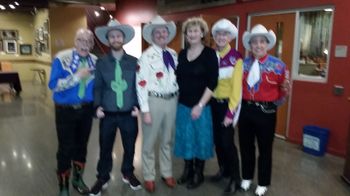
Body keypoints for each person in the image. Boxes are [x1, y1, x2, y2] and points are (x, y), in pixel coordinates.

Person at [89, 19, 141, 196]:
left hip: (129, 112)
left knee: (130, 146)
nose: (116, 39)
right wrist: (96, 107)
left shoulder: (134, 62)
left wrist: (138, 106)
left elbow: (139, 86)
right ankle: (102, 177)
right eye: (112, 36)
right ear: (108, 40)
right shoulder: (101, 63)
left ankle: (128, 172)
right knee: (105, 147)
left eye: (119, 36)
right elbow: (97, 87)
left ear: (123, 39)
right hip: (108, 113)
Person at [239, 24, 290, 196]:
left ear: (267, 44)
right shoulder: (243, 64)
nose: (258, 45)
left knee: (265, 149)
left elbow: (284, 91)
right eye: (254, 42)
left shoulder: (279, 66)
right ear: (250, 45)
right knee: (246, 147)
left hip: (266, 113)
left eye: (262, 42)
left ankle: (263, 182)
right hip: (246, 110)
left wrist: (272, 106)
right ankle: (246, 177)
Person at [48, 29, 97, 196]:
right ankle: (63, 186)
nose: (84, 44)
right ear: (75, 41)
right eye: (81, 40)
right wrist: (76, 77)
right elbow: (53, 85)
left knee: (81, 147)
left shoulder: (95, 61)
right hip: (65, 112)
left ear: (92, 44)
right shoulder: (62, 58)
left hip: (86, 110)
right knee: (65, 149)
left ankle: (77, 179)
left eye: (88, 41)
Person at [174, 17, 218, 189]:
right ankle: (188, 170)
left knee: (201, 139)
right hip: (183, 104)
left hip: (202, 106)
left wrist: (200, 106)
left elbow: (212, 82)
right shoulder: (182, 54)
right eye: (189, 31)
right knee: (186, 138)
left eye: (195, 31)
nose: (192, 34)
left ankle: (198, 173)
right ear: (186, 34)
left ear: (202, 33)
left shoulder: (209, 54)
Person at [136, 15, 178, 192]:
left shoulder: (174, 54)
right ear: (152, 36)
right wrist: (145, 110)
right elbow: (140, 83)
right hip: (153, 101)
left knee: (168, 140)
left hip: (172, 100)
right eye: (157, 32)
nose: (161, 34)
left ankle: (166, 172)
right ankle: (149, 176)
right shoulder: (145, 57)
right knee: (150, 141)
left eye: (164, 31)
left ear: (168, 34)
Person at [210, 18, 242, 193]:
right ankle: (224, 170)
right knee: (217, 142)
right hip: (212, 105)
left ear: (230, 37)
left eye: (225, 34)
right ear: (214, 36)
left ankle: (235, 178)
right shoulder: (211, 55)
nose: (221, 37)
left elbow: (237, 90)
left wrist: (231, 113)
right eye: (218, 34)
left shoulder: (236, 58)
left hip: (226, 106)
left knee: (227, 143)